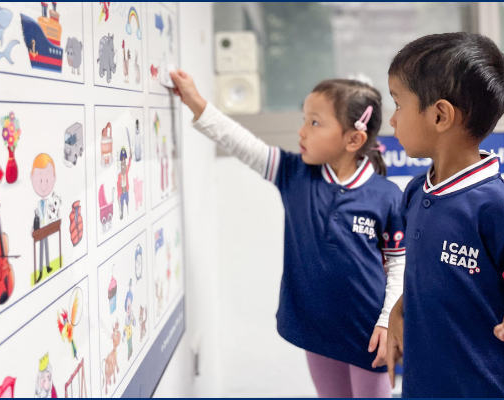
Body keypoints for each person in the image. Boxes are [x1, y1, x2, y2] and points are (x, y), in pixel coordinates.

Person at [169, 70, 406, 398]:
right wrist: (195, 102)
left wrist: (387, 322)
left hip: (369, 331)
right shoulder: (294, 174)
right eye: (304, 119)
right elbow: (241, 143)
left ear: (353, 139)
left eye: (315, 123)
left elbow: (398, 266)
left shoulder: (387, 195)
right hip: (315, 328)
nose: (302, 131)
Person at [383, 33, 504, 398]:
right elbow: (427, 276)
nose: (392, 120)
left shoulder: (498, 206)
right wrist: (398, 313)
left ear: (440, 115)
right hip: (425, 385)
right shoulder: (416, 192)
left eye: (398, 104)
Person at [31, 153, 57, 275]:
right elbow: (35, 218)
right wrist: (33, 228)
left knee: (46, 248)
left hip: (46, 227)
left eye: (47, 180)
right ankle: (41, 270)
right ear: (32, 177)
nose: (43, 185)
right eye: (40, 180)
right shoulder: (37, 206)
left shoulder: (47, 203)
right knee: (40, 249)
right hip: (40, 229)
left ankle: (47, 267)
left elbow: (51, 213)